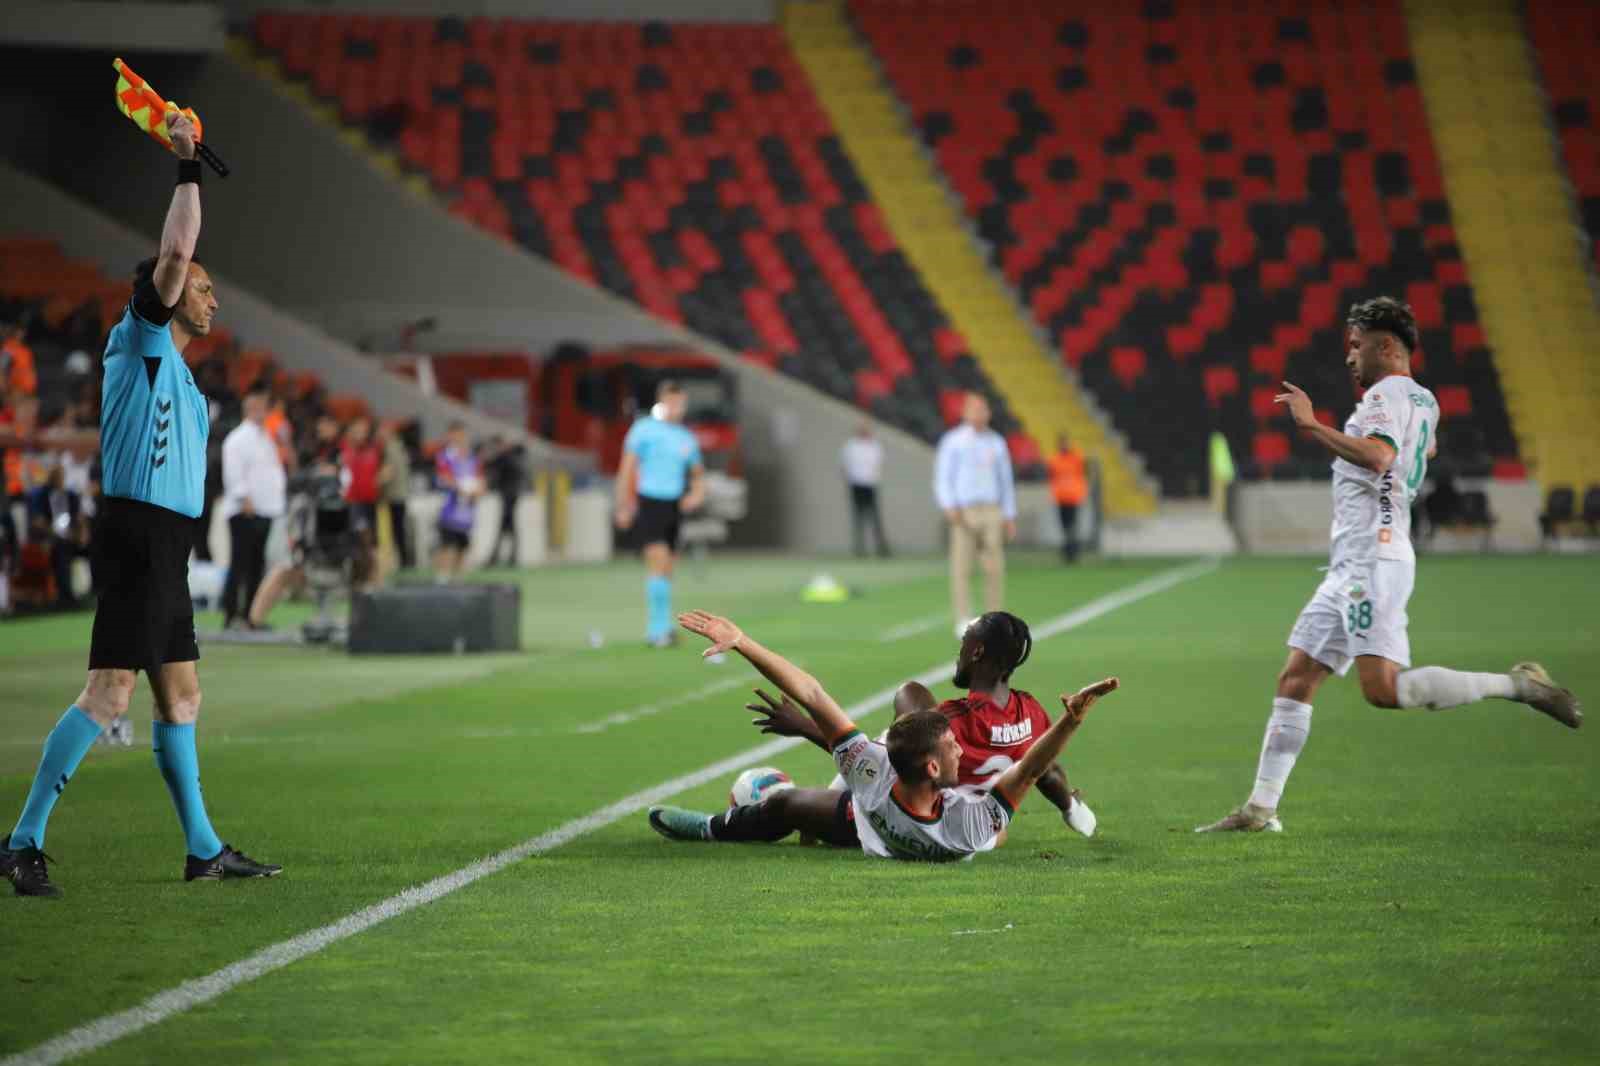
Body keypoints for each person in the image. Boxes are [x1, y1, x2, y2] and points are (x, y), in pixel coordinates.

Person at [0, 113, 280, 897]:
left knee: (182, 695)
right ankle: (20, 841)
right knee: (111, 691)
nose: (213, 298)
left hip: (167, 543)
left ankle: (203, 850)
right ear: (162, 291)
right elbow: (176, 250)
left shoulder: (184, 379)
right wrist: (187, 167)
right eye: (202, 286)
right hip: (137, 538)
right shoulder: (142, 338)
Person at [1198, 297, 1582, 835]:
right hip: (1354, 563)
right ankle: (1260, 810)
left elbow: (1379, 456)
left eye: (1356, 345)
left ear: (1386, 346)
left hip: (1372, 561)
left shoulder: (1386, 393)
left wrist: (1311, 425)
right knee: (1296, 677)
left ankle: (1520, 686)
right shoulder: (1423, 400)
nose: (1350, 357)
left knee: (1384, 690)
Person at [649, 609, 1118, 861]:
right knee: (850, 764)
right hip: (973, 829)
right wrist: (1071, 792)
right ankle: (807, 804)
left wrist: (747, 645)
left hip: (873, 815)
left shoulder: (881, 774)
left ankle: (714, 828)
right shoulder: (977, 825)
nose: (956, 742)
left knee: (786, 803)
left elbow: (816, 695)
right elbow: (1038, 767)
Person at [761, 611, 1099, 837]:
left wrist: (804, 726)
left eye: (965, 639)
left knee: (786, 804)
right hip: (980, 829)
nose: (960, 650)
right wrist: (1070, 806)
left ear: (977, 652)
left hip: (917, 822)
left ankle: (715, 827)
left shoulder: (952, 721)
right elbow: (1045, 771)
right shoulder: (1030, 711)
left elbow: (874, 762)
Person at [614, 381, 706, 647]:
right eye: (671, 402)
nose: (676, 408)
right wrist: (623, 505)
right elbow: (627, 469)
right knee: (657, 562)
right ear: (661, 402)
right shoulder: (643, 430)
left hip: (674, 506)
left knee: (667, 568)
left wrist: (696, 495)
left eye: (680, 403)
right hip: (650, 502)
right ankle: (657, 630)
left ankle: (663, 626)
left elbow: (698, 475)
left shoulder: (686, 438)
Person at [935, 392, 1016, 636]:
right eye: (974, 409)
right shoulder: (953, 441)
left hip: (991, 510)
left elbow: (1005, 481)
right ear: (965, 413)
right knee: (962, 566)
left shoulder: (997, 443)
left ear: (988, 414)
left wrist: (1009, 515)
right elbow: (943, 477)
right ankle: (963, 618)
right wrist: (949, 505)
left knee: (994, 566)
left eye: (983, 409)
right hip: (965, 510)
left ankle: (995, 619)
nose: (979, 414)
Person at [219, 383, 286, 629]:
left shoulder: (265, 437)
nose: (261, 411)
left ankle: (251, 615)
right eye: (256, 406)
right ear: (248, 408)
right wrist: (243, 497)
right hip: (245, 510)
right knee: (240, 564)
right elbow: (233, 473)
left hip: (265, 509)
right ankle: (231, 614)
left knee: (257, 565)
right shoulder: (238, 438)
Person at [23, 465, 89, 609]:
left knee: (95, 548)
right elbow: (37, 521)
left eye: (61, 476)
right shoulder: (41, 495)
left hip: (72, 538)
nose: (60, 479)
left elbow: (80, 518)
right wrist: (54, 532)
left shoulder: (71, 495)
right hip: (52, 539)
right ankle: (66, 596)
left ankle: (95, 592)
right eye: (57, 476)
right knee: (61, 551)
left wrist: (82, 534)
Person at [433, 421, 482, 581]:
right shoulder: (445, 456)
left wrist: (477, 490)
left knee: (463, 546)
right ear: (450, 435)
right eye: (456, 434)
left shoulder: (472, 457)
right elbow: (444, 477)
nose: (459, 438)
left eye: (462, 434)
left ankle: (459, 578)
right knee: (447, 545)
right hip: (448, 508)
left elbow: (480, 479)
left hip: (466, 511)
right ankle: (443, 577)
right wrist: (461, 487)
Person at [841, 420, 890, 557]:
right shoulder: (850, 446)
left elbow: (879, 464)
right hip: (856, 484)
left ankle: (881, 548)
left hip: (870, 484)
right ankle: (860, 549)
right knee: (858, 517)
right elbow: (845, 465)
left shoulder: (875, 446)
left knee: (875, 518)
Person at [341, 414, 383, 553]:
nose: (362, 433)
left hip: (371, 498)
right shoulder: (343, 448)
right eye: (358, 430)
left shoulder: (374, 448)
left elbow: (383, 468)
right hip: (352, 499)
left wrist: (381, 478)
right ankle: (359, 563)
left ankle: (372, 565)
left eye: (364, 430)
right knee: (358, 532)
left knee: (372, 535)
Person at [1047, 432, 1088, 563]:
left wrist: (1082, 493)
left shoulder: (1077, 458)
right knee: (1064, 527)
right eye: (1062, 443)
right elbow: (1053, 478)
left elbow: (1082, 476)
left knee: (1072, 526)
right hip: (1061, 498)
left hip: (1073, 497)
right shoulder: (1054, 460)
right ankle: (1068, 552)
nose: (1064, 445)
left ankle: (1073, 552)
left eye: (1065, 442)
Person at [379, 419, 412, 570]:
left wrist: (373, 483)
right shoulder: (400, 446)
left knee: (395, 531)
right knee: (400, 530)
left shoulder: (390, 448)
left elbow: (388, 472)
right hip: (401, 493)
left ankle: (403, 562)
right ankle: (406, 561)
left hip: (394, 494)